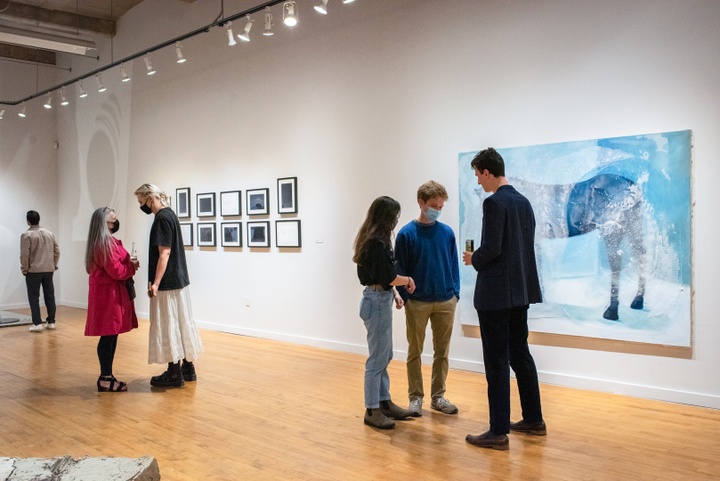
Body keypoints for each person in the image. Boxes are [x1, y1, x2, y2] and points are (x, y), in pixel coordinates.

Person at [462, 147, 545, 451]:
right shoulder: (524, 203)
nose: (478, 182)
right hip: (520, 294)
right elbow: (517, 249)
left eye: (478, 175)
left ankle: (498, 431)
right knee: (520, 354)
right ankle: (534, 419)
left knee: (496, 362)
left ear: (487, 171)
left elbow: (493, 248)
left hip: (497, 297)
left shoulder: (494, 203)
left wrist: (474, 258)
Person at [395, 180, 460, 417]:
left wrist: (455, 293)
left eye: (441, 206)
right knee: (415, 351)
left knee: (442, 352)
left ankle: (438, 396)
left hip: (445, 300)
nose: (437, 209)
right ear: (421, 202)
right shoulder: (406, 234)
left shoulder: (447, 233)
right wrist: (405, 297)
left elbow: (454, 265)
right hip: (417, 301)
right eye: (433, 205)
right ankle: (415, 398)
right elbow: (399, 269)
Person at [353, 196, 416, 429]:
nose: (396, 221)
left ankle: (384, 402)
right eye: (394, 217)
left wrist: (395, 293)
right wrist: (407, 281)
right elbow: (388, 276)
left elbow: (384, 277)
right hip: (376, 301)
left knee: (384, 354)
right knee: (377, 359)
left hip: (380, 298)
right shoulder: (375, 243)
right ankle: (372, 409)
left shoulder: (375, 239)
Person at [134, 183, 204, 388]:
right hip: (179, 280)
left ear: (150, 198)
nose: (141, 206)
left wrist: (155, 283)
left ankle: (174, 372)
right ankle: (188, 367)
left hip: (167, 282)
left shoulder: (162, 219)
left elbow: (164, 253)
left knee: (169, 322)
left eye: (141, 202)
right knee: (181, 320)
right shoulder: (171, 214)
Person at [85, 207, 139, 392]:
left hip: (110, 293)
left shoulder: (104, 242)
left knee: (110, 335)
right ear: (103, 222)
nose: (115, 218)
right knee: (108, 335)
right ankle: (105, 377)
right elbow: (116, 271)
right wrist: (131, 268)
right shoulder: (103, 244)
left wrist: (129, 266)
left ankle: (107, 375)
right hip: (108, 295)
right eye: (111, 216)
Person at [20, 210, 60, 332]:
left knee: (33, 297)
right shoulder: (49, 233)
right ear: (39, 219)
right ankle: (51, 321)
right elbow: (57, 251)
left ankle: (37, 323)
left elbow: (24, 255)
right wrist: (54, 264)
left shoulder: (26, 235)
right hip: (48, 269)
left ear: (28, 221)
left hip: (33, 271)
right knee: (50, 295)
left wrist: (24, 268)